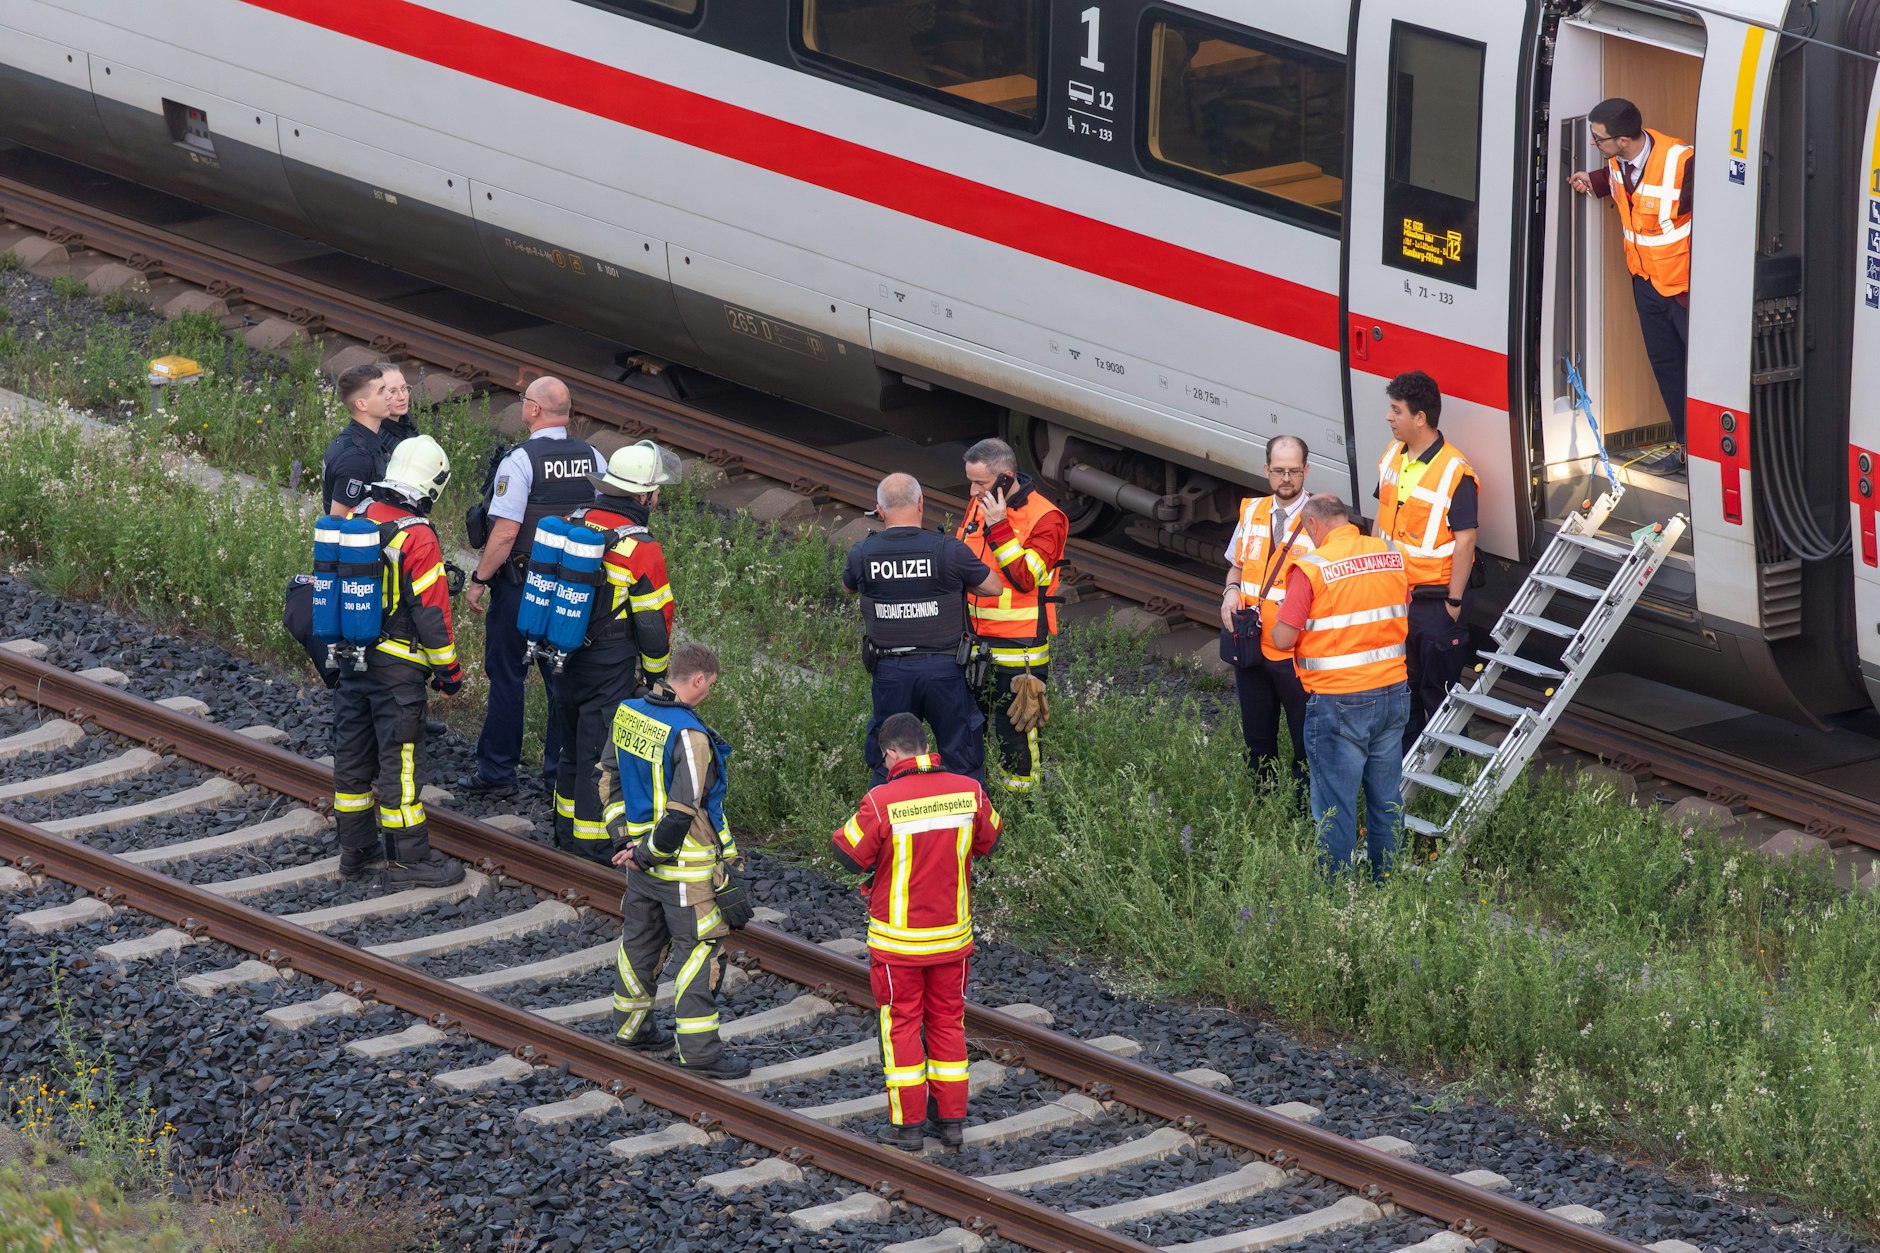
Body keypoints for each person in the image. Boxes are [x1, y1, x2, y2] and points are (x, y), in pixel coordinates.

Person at [831, 712, 1001, 1150]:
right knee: (948, 1021)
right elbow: (990, 840)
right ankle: (951, 1122)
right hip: (952, 939)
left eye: (884, 759)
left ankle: (908, 1127)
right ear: (925, 747)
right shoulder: (969, 791)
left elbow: (847, 853)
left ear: (891, 753)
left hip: (898, 944)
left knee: (902, 1025)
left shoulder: (881, 801)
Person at [599, 643, 752, 1080]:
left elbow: (607, 779)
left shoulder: (628, 713)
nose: (708, 693)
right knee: (698, 955)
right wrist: (650, 854)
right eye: (710, 685)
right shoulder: (690, 735)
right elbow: (684, 809)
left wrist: (626, 841)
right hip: (684, 872)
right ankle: (700, 1054)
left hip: (639, 865)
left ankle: (632, 1030)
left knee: (639, 944)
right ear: (698, 679)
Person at [330, 434, 467, 889]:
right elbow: (431, 614)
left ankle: (356, 850)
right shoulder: (417, 535)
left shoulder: (359, 515)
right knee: (401, 763)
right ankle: (409, 862)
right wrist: (449, 673)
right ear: (432, 486)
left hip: (352, 658)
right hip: (397, 671)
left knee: (352, 755)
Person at [462, 377, 602, 799]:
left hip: (522, 585)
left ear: (535, 410)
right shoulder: (593, 456)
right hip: (574, 588)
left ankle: (497, 771)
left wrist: (479, 580)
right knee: (562, 679)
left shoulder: (521, 460)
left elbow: (505, 532)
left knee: (508, 675)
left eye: (525, 400)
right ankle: (559, 778)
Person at [1270, 496, 1410, 881]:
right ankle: (1387, 885)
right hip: (1393, 692)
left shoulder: (1312, 567)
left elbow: (1283, 639)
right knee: (1386, 799)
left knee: (1335, 805)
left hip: (1339, 701)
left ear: (1314, 525)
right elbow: (1399, 608)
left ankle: (1334, 896)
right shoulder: (1389, 553)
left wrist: (1281, 615)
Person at [552, 440, 678, 862]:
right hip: (608, 663)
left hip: (561, 653)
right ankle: (591, 845)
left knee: (570, 746)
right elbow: (653, 622)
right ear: (643, 496)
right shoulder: (641, 547)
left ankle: (564, 834)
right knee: (597, 755)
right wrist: (656, 676)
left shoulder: (573, 520)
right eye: (655, 491)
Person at [843, 473, 1004, 785]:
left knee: (890, 758)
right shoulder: (948, 550)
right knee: (962, 757)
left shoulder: (863, 553)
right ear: (920, 503)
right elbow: (993, 587)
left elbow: (849, 586)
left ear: (880, 510)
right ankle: (967, 812)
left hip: (890, 672)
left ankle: (890, 812)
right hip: (945, 671)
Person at [1567, 97, 1693, 465]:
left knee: (1700, 374)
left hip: (1686, 290)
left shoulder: (1682, 162)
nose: (1594, 144)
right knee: (1667, 368)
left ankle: (1711, 455)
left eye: (1598, 139)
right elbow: (1627, 186)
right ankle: (1686, 448)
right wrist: (1592, 181)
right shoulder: (1617, 162)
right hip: (1646, 284)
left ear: (1623, 140)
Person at [955, 439, 1068, 793]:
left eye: (980, 483)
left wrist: (999, 526)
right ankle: (976, 805)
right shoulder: (980, 504)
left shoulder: (1046, 518)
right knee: (967, 731)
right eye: (971, 482)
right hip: (974, 646)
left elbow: (1025, 578)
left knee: (1016, 740)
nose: (972, 492)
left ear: (1005, 477)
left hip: (1020, 654)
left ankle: (1025, 809)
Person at [1374, 371, 1478, 750]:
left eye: (1396, 410)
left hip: (1433, 603)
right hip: (1394, 597)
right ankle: (1408, 764)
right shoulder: (1393, 454)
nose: (1389, 417)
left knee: (1438, 692)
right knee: (1403, 687)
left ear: (1420, 418)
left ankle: (1448, 766)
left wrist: (1453, 602)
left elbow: (1466, 541)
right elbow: (1382, 518)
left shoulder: (1454, 471)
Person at [1220, 435, 1314, 794]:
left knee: (1306, 743)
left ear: (1306, 471)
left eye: (1293, 471)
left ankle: (1305, 812)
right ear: (1266, 469)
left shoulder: (1319, 520)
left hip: (1297, 654)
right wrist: (1230, 591)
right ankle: (1263, 805)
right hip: (1252, 646)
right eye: (1279, 471)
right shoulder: (1252, 512)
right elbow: (1237, 566)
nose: (1286, 478)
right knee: (1257, 739)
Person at [319, 363, 391, 517]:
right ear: (362, 404)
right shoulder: (356, 459)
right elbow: (338, 521)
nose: (389, 395)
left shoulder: (360, 438)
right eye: (381, 391)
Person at [378, 362, 418, 457]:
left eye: (404, 388)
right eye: (392, 392)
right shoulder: (377, 436)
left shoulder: (406, 419)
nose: (402, 397)